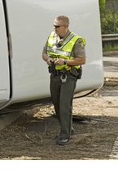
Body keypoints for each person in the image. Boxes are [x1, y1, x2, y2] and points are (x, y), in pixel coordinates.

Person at [42, 15, 86, 146]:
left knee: (64, 105)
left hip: (68, 75)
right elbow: (44, 53)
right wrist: (47, 59)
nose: (54, 28)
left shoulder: (75, 40)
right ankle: (69, 128)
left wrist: (66, 61)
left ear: (66, 26)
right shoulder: (51, 37)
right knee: (56, 104)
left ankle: (65, 134)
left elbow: (82, 59)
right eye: (54, 26)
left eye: (57, 26)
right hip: (55, 75)